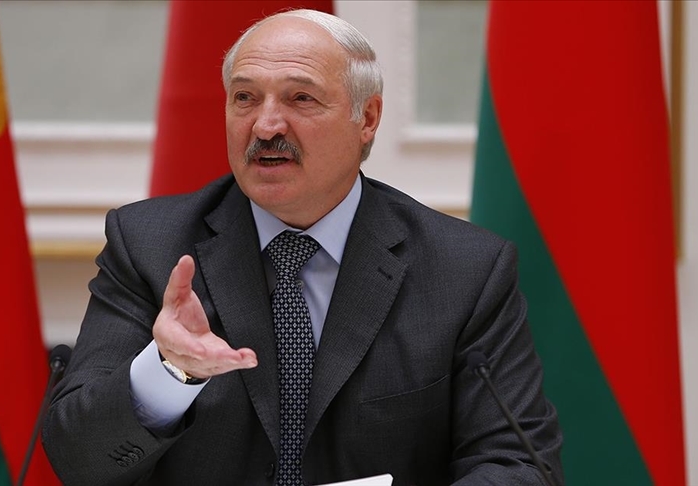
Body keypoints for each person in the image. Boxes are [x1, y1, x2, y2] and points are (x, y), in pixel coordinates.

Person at [42, 9, 563, 486]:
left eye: (301, 99)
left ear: (368, 119)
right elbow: (79, 461)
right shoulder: (150, 247)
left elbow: (517, 465)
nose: (266, 125)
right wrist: (169, 372)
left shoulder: (464, 269)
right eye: (245, 98)